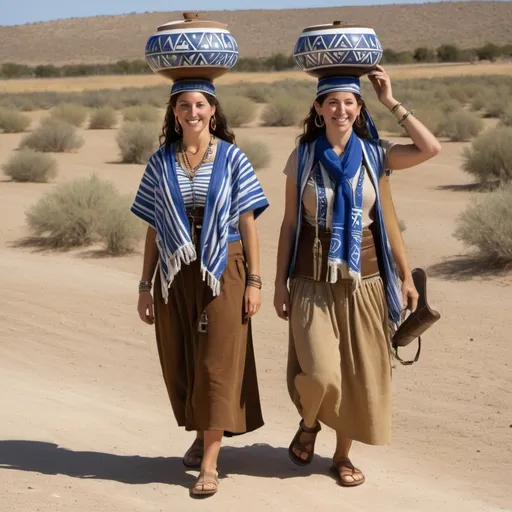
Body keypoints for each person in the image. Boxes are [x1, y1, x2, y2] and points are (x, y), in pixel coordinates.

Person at [273, 65, 441, 487]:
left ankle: (342, 457)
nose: (341, 109)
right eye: (332, 102)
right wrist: (278, 282)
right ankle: (310, 422)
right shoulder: (303, 157)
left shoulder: (374, 154)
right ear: (318, 108)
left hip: (365, 281)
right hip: (312, 281)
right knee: (320, 374)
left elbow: (429, 150)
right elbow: (291, 223)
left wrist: (391, 101)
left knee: (357, 375)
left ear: (358, 107)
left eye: (349, 102)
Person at [131, 79, 269, 497]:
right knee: (185, 357)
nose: (193, 112)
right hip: (176, 271)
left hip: (224, 267)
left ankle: (210, 462)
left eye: (201, 105)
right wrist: (143, 286)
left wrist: (255, 281)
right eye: (184, 106)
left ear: (213, 111)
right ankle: (201, 433)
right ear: (174, 114)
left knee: (217, 361)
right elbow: (154, 228)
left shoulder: (232, 158)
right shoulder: (159, 162)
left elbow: (247, 222)